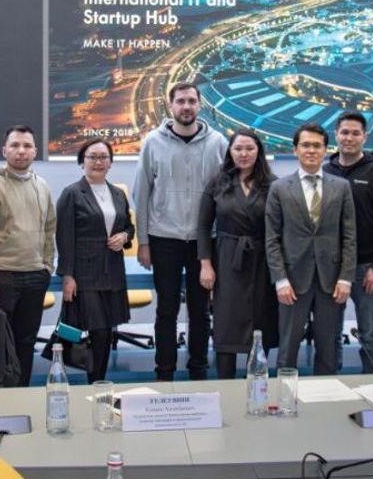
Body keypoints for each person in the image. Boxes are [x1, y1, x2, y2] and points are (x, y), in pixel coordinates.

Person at [133, 82, 229, 381]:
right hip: (164, 238)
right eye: (180, 101)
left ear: (199, 105)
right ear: (171, 105)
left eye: (191, 101)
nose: (186, 106)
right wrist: (143, 241)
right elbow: (141, 194)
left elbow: (228, 192)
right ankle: (164, 371)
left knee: (201, 311)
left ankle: (198, 369)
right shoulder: (153, 142)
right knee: (167, 309)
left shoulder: (218, 142)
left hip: (205, 241)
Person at [265, 123, 357, 375]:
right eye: (305, 145)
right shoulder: (279, 188)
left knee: (328, 349)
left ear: (326, 150)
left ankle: (326, 394)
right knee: (288, 349)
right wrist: (280, 279)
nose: (311, 150)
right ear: (295, 150)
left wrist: (346, 278)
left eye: (317, 146)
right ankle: (285, 395)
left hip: (331, 281)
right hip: (292, 281)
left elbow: (349, 236)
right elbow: (272, 238)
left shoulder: (342, 187)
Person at [0, 125, 56, 387]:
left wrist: (47, 266)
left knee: (25, 344)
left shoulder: (41, 185)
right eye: (15, 145)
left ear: (35, 151)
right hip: (1, 279)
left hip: (35, 277)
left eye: (27, 146)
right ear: (4, 150)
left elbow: (49, 228)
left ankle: (22, 396)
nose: (21, 151)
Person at [197, 130, 279, 379]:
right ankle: (225, 382)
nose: (244, 154)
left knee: (261, 318)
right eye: (238, 149)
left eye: (249, 148)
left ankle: (256, 381)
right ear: (230, 152)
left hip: (263, 259)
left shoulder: (273, 184)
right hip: (227, 258)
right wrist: (205, 264)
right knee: (227, 321)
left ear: (259, 151)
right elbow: (203, 226)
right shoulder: (217, 183)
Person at [324, 112, 373, 373]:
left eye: (356, 133)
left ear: (365, 137)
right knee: (331, 331)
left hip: (365, 266)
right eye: (345, 132)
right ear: (336, 135)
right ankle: (332, 381)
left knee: (369, 331)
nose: (349, 138)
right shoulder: (325, 170)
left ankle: (372, 380)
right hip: (332, 266)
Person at [55, 139, 134, 383]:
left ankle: (99, 381)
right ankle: (95, 381)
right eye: (92, 157)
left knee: (106, 330)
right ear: (82, 162)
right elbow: (64, 237)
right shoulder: (71, 193)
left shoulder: (118, 193)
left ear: (110, 162)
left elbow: (129, 226)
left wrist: (124, 237)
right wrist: (67, 275)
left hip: (112, 270)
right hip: (85, 273)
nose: (98, 162)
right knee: (97, 329)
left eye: (103, 157)